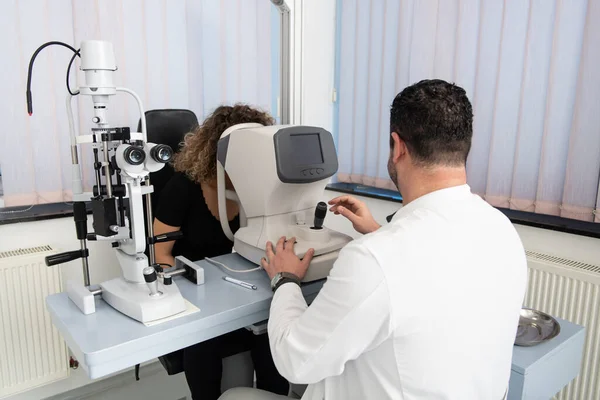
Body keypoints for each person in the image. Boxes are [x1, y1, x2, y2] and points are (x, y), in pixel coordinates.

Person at [219, 80, 527, 400]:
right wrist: (381, 232)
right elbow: (439, 269)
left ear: (398, 146)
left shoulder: (375, 259)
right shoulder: (500, 228)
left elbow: (295, 361)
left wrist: (285, 280)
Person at [153, 104, 289, 400]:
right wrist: (186, 297)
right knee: (202, 344)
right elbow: (160, 253)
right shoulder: (183, 186)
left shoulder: (257, 188)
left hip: (247, 288)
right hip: (200, 294)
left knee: (272, 332)